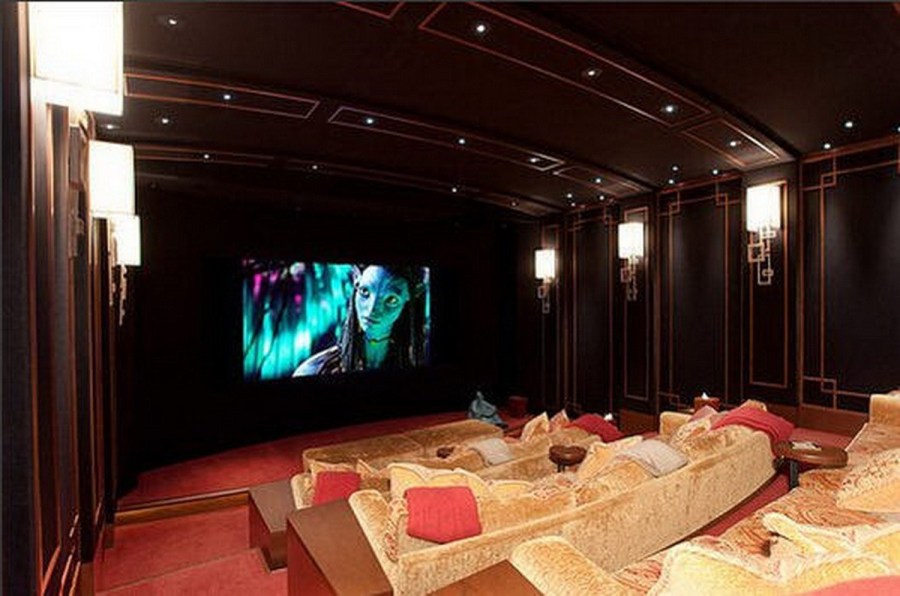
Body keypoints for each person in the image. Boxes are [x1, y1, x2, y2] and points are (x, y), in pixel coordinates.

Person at [293, 264, 428, 375]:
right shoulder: (313, 370)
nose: (371, 309)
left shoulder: (419, 360)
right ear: (356, 280)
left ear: (410, 297)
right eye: (364, 292)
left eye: (391, 300)